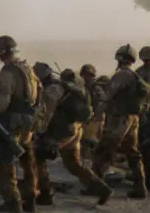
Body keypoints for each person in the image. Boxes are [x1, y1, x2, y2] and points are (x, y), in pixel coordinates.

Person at [32, 63, 113, 206]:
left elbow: (47, 114)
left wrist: (41, 131)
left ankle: (45, 193)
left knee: (38, 156)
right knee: (74, 165)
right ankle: (102, 189)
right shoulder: (72, 89)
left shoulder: (53, 90)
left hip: (62, 132)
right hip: (76, 131)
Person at [88, 44, 148, 199]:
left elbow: (107, 95)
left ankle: (97, 186)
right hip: (133, 119)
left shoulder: (121, 75)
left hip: (120, 118)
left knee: (105, 149)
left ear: (120, 58)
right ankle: (141, 186)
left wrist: (97, 90)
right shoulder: (134, 76)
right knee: (132, 152)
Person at [0, 35, 40, 213]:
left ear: (1, 53)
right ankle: (31, 201)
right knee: (28, 163)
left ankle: (13, 204)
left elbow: (3, 104)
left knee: (4, 163)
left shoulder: (7, 73)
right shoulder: (28, 69)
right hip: (29, 123)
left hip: (13, 124)